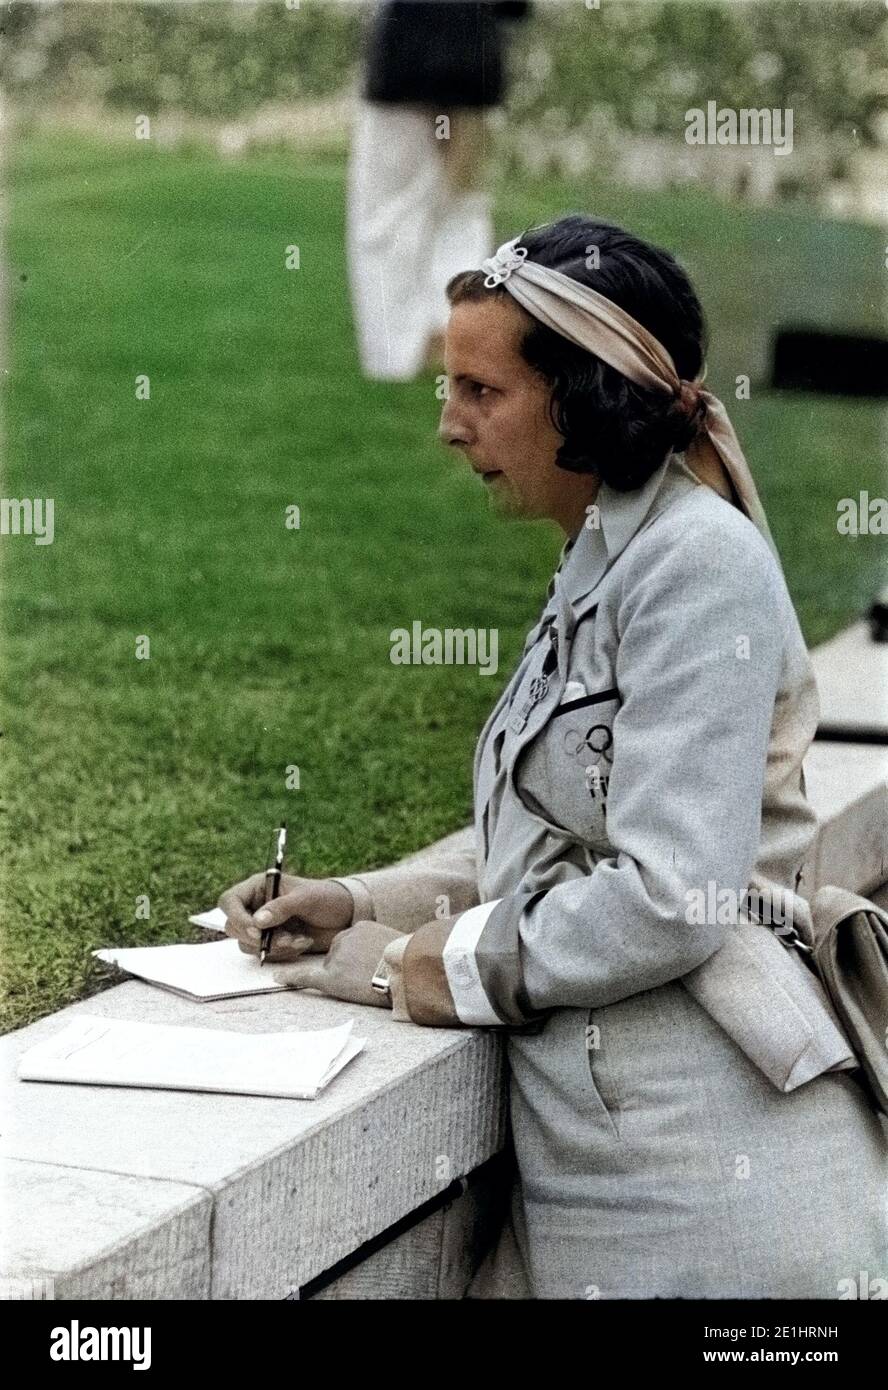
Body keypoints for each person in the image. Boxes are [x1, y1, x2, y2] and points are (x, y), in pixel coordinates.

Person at [220, 215, 888, 1299]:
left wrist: (407, 968)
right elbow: (554, 853)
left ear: (583, 398)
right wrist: (356, 898)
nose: (449, 426)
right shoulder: (604, 555)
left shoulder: (697, 565)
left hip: (719, 1196)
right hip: (604, 1183)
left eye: (480, 392)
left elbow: (671, 893)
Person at [347, 1, 529, 380]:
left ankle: (397, 350)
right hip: (472, 56)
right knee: (463, 207)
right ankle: (454, 335)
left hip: (404, 56)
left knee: (389, 213)